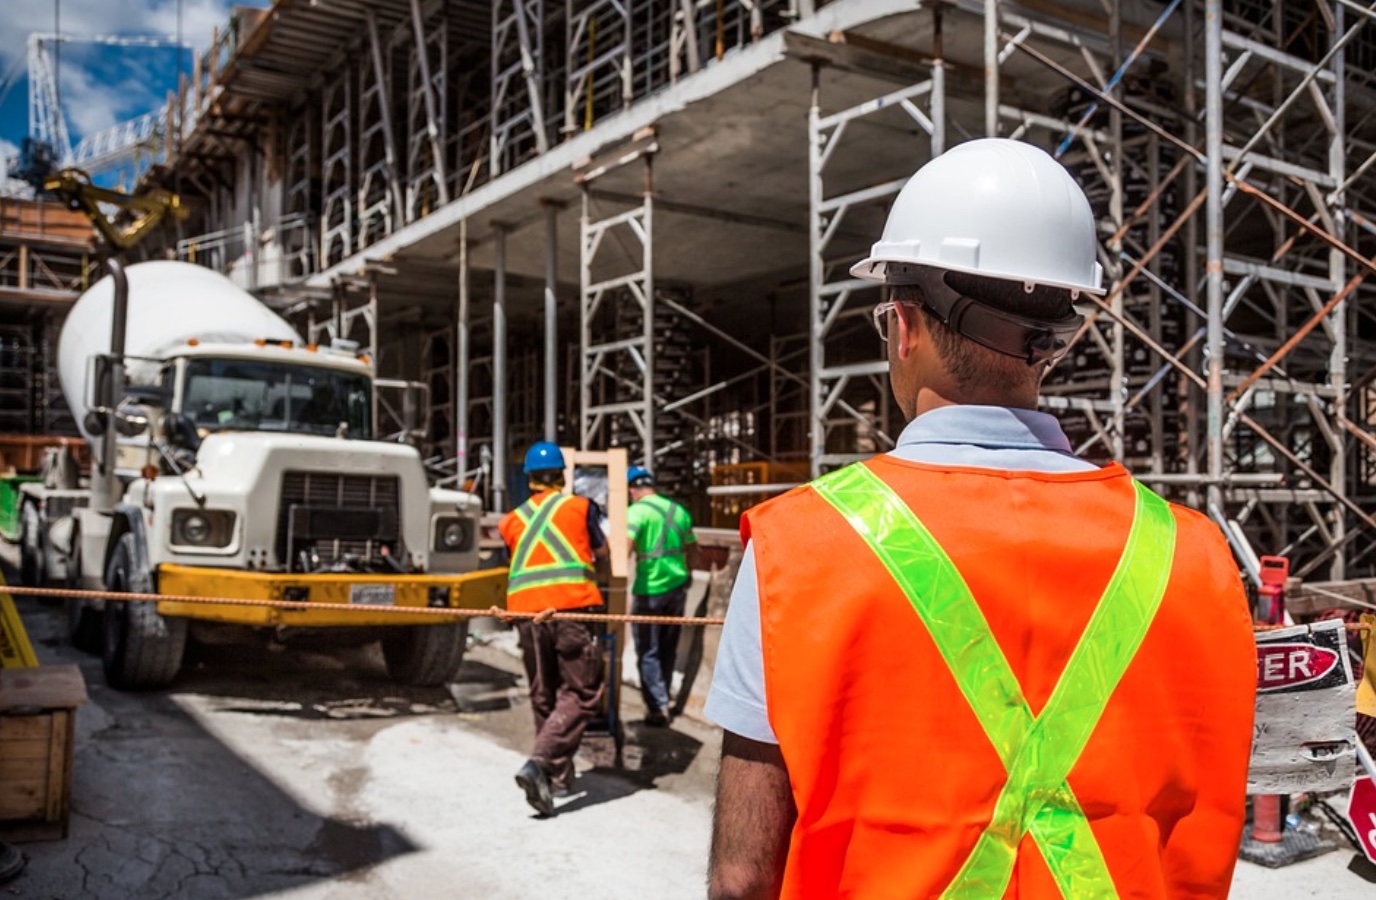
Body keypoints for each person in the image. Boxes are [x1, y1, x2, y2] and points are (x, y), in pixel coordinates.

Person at [704, 139, 1257, 900]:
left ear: (902, 326)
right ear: (1055, 342)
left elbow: (742, 878)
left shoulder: (796, 548)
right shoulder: (1192, 554)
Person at [500, 441, 609, 817]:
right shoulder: (580, 507)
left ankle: (556, 778)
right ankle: (541, 763)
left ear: (529, 478)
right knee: (583, 693)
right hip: (570, 609)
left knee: (544, 692)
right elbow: (603, 551)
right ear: (563, 476)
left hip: (527, 616)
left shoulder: (511, 520)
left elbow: (515, 563)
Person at [626, 465, 699, 726]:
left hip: (649, 591)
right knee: (668, 647)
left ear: (632, 490)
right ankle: (664, 697)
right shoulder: (678, 511)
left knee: (648, 650)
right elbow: (693, 548)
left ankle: (657, 708)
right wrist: (686, 574)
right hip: (677, 589)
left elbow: (625, 546)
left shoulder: (636, 512)